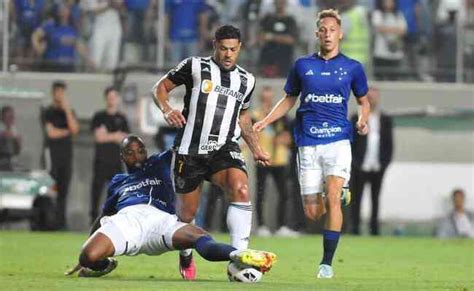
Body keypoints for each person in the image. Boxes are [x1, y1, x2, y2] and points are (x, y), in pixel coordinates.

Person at [253, 9, 370, 279]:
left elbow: (364, 102)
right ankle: (339, 194)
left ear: (340, 34)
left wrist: (363, 120)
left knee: (332, 197)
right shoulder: (302, 65)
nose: (328, 34)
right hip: (308, 142)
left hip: (338, 140)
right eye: (323, 29)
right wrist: (265, 121)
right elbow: (288, 99)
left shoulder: (353, 67)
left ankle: (326, 264)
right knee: (313, 213)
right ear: (317, 34)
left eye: (332, 30)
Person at [152, 25, 270, 280]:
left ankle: (240, 259)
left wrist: (256, 148)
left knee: (240, 188)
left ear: (240, 49)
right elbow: (160, 88)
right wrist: (166, 109)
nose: (228, 54)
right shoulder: (194, 66)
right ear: (214, 45)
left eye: (234, 50)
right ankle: (185, 254)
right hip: (189, 151)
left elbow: (243, 118)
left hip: (223, 148)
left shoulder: (246, 80)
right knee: (186, 216)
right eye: (224, 49)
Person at [64, 135, 277, 278]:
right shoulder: (119, 181)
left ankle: (238, 255)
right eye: (130, 152)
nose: (136, 155)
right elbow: (104, 214)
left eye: (140, 150)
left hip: (162, 220)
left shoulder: (160, 162)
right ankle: (102, 266)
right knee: (88, 256)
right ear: (122, 157)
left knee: (200, 238)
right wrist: (88, 245)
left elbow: (183, 144)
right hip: (128, 221)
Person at [252, 86, 297, 237]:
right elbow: (251, 135)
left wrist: (283, 139)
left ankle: (282, 226)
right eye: (265, 97)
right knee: (261, 193)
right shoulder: (255, 115)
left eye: (270, 97)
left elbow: (289, 137)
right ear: (261, 98)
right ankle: (262, 226)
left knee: (284, 193)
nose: (267, 100)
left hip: (280, 159)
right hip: (263, 158)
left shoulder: (281, 116)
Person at [350, 86, 393, 236]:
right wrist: (355, 163)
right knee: (357, 199)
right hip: (360, 166)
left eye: (374, 96)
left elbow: (389, 144)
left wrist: (384, 163)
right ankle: (355, 229)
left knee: (375, 199)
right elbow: (352, 142)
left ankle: (374, 230)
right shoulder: (356, 118)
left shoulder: (386, 120)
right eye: (369, 97)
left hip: (377, 166)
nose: (372, 99)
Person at [42, 80, 80, 230]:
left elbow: (75, 129)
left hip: (66, 157)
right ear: (53, 93)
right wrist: (66, 132)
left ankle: (61, 223)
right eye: (57, 92)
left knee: (64, 190)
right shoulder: (47, 112)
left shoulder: (69, 111)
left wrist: (67, 110)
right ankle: (47, 222)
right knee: (51, 190)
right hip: (51, 156)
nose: (60, 95)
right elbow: (51, 133)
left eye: (62, 92)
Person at [89, 87, 130, 224]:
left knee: (116, 193)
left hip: (116, 161)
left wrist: (107, 135)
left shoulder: (122, 118)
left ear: (117, 99)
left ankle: (114, 221)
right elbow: (99, 138)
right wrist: (115, 135)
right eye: (109, 96)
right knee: (96, 192)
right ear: (106, 98)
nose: (112, 99)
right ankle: (93, 220)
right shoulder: (99, 116)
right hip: (100, 161)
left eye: (114, 96)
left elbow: (124, 138)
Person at [258, 0, 298, 77]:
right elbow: (261, 36)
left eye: (282, 1)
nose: (280, 3)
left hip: (285, 59)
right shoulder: (268, 19)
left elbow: (291, 40)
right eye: (278, 1)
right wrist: (282, 38)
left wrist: (271, 37)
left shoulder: (290, 20)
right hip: (268, 58)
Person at [371, 0, 407, 80]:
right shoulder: (378, 14)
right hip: (381, 53)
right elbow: (379, 28)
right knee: (380, 78)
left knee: (394, 79)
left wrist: (388, 29)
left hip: (395, 52)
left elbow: (403, 30)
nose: (388, 3)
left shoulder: (398, 15)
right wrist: (396, 30)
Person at [0, 106, 22, 171]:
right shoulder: (1, 127)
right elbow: (5, 135)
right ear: (2, 117)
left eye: (12, 117)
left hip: (11, 160)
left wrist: (18, 142)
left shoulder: (13, 129)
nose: (11, 119)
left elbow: (18, 149)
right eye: (8, 117)